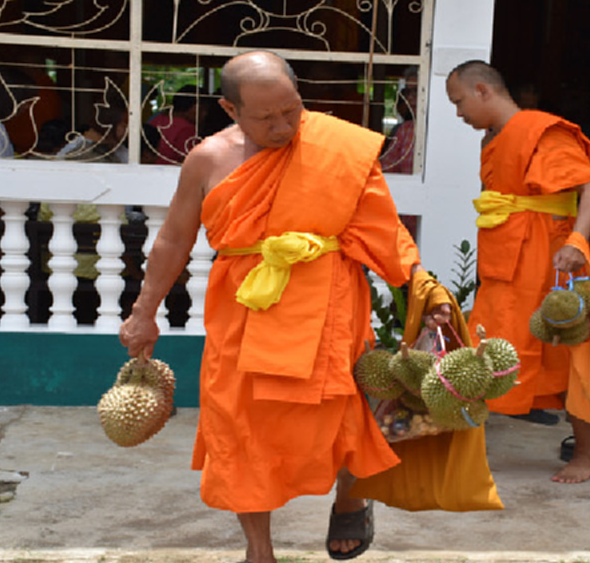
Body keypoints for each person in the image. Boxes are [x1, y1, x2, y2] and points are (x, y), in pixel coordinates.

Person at [119, 51, 448, 563]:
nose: (283, 125)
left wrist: (425, 290)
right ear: (230, 109)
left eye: (291, 110)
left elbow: (382, 228)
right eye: (265, 117)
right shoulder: (208, 159)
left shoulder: (336, 147)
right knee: (238, 425)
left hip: (328, 301)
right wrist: (144, 311)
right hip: (244, 309)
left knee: (343, 413)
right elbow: (173, 239)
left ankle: (350, 497)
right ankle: (259, 549)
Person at [445, 60, 590, 484]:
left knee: (565, 354)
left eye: (459, 102)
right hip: (506, 263)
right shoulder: (493, 139)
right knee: (484, 351)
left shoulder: (540, 130)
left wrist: (576, 243)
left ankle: (588, 452)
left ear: (482, 90)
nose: (459, 114)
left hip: (550, 259)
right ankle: (461, 450)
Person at [379, 68, 417, 174]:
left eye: (417, 91)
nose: (410, 97)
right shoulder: (405, 130)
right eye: (407, 92)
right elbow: (387, 168)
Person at [149, 84, 199, 164]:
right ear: (194, 107)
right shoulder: (186, 129)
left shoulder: (157, 118)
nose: (204, 114)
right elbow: (188, 163)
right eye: (203, 109)